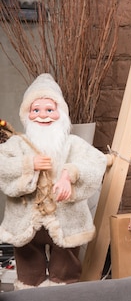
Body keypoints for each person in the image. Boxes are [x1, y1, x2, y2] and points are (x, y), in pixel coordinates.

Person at [0, 73, 107, 289]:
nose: (43, 116)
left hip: (65, 218)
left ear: (61, 112)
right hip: (26, 220)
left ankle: (64, 298)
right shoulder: (17, 144)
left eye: (50, 110)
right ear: (27, 114)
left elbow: (96, 162)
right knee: (28, 266)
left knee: (66, 266)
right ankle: (30, 298)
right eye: (36, 110)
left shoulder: (72, 143)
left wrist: (69, 175)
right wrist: (28, 164)